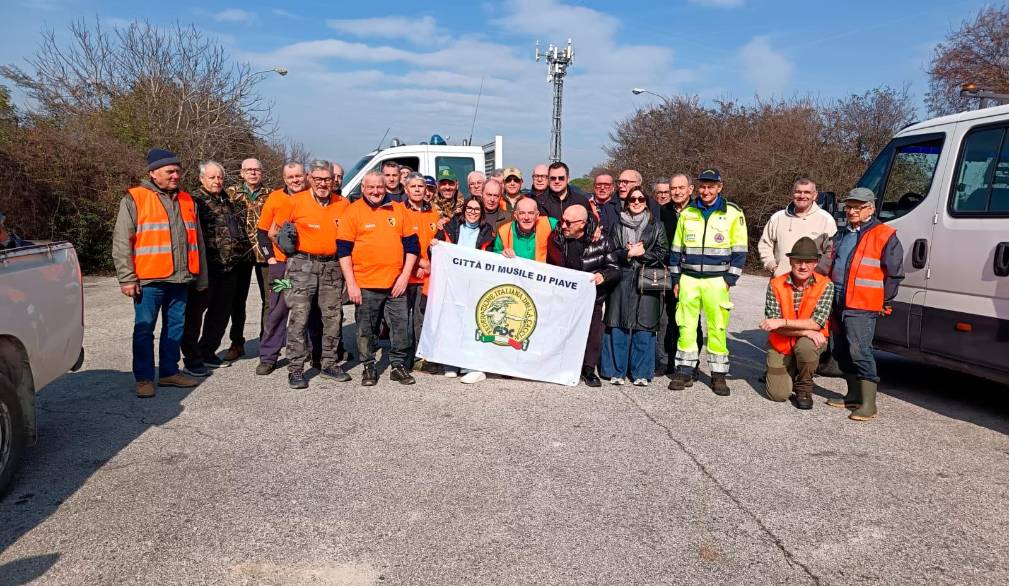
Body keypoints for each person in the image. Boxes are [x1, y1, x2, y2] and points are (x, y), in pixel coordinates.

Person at [112, 148, 208, 397]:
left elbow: (198, 241)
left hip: (181, 278)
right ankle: (144, 378)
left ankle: (168, 373)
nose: (176, 175)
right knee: (144, 329)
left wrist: (201, 277)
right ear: (153, 173)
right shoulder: (135, 198)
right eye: (170, 171)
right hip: (149, 280)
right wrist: (127, 278)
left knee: (175, 328)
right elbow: (122, 241)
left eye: (177, 171)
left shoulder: (188, 200)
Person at [824, 187, 904, 421]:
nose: (851, 211)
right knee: (841, 349)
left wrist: (886, 301)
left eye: (857, 207)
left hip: (863, 303)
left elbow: (894, 274)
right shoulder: (841, 234)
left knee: (860, 350)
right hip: (837, 298)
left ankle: (869, 404)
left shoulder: (884, 235)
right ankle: (852, 395)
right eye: (849, 206)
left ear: (871, 208)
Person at [667, 168, 748, 396]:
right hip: (689, 279)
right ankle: (684, 371)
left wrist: (729, 279)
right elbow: (676, 249)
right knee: (686, 326)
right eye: (702, 186)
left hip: (716, 281)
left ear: (719, 187)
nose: (706, 190)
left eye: (711, 186)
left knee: (717, 328)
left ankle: (718, 375)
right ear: (697, 188)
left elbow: (740, 250)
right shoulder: (688, 213)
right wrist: (676, 278)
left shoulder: (733, 213)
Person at [337, 171, 420, 387]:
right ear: (363, 188)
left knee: (400, 327)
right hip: (365, 284)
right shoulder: (352, 212)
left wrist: (404, 276)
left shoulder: (399, 210)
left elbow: (412, 246)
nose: (375, 191)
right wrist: (351, 284)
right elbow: (343, 251)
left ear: (386, 188)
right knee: (366, 329)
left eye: (380, 187)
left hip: (395, 283)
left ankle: (398, 365)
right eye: (371, 187)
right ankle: (369, 366)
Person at [276, 160, 352, 389]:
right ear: (310, 178)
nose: (322, 184)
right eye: (318, 179)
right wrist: (286, 248)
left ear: (333, 180)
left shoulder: (343, 203)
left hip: (332, 266)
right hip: (302, 265)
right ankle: (296, 369)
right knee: (299, 317)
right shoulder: (294, 202)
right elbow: (273, 232)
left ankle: (329, 362)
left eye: (327, 179)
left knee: (333, 317)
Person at [180, 161, 251, 377]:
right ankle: (192, 358)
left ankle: (208, 351)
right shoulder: (195, 201)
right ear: (202, 179)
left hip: (229, 268)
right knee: (195, 314)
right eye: (212, 177)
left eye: (219, 177)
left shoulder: (227, 201)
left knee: (221, 313)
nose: (217, 181)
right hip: (205, 268)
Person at [254, 162, 323, 375]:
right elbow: (263, 232)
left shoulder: (315, 198)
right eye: (291, 177)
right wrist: (272, 260)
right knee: (279, 309)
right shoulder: (275, 198)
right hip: (283, 266)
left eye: (299, 176)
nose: (295, 180)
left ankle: (314, 353)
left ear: (307, 177)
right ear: (284, 179)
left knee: (311, 309)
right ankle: (268, 356)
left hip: (308, 266)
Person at [600, 188, 669, 386]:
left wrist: (643, 254)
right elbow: (610, 250)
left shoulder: (657, 225)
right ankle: (615, 370)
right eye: (632, 199)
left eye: (640, 199)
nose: (636, 202)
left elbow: (663, 251)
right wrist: (627, 255)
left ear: (646, 202)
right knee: (617, 324)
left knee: (644, 327)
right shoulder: (617, 224)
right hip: (622, 277)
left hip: (647, 278)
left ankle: (641, 372)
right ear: (627, 201)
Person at [547, 203, 619, 387]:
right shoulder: (556, 238)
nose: (563, 225)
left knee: (593, 333)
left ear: (581, 223)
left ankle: (588, 370)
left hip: (591, 297)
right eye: (563, 220)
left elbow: (614, 268)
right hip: (564, 297)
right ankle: (560, 366)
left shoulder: (602, 241)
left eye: (568, 222)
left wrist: (603, 276)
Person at [759, 237, 834, 410]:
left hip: (809, 342)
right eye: (798, 261)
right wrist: (805, 331)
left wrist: (783, 322)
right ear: (791, 261)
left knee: (806, 347)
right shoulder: (776, 284)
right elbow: (773, 325)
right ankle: (789, 371)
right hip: (781, 343)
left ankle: (804, 386)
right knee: (778, 395)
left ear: (816, 263)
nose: (803, 266)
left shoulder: (826, 285)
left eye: (808, 262)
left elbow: (817, 324)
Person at [432, 197, 497, 383]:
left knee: (471, 323)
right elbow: (435, 252)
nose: (472, 212)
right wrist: (434, 246)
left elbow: (492, 257)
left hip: (475, 285)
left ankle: (473, 366)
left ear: (482, 213)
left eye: (477, 210)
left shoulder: (488, 233)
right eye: (469, 208)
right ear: (464, 209)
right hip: (452, 284)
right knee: (451, 322)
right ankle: (451, 363)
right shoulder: (450, 227)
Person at [656, 173, 701, 376]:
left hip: (692, 274)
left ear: (690, 190)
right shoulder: (661, 212)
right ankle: (667, 360)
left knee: (691, 320)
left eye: (681, 188)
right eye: (673, 188)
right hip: (667, 272)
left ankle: (692, 362)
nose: (676, 192)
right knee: (666, 318)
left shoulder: (700, 212)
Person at [226, 157, 271, 363]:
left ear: (262, 173)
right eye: (248, 170)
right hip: (240, 254)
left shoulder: (271, 195)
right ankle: (237, 342)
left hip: (265, 253)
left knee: (269, 300)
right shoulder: (230, 194)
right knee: (237, 300)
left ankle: (267, 341)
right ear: (242, 173)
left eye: (257, 170)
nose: (253, 173)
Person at [758, 178, 837, 277]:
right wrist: (772, 266)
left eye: (807, 192)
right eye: (798, 192)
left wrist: (818, 272)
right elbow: (765, 244)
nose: (802, 196)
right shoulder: (777, 218)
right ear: (792, 194)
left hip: (812, 284)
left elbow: (831, 251)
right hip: (781, 281)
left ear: (815, 195)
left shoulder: (826, 220)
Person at [402, 172, 440, 371]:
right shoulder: (398, 211)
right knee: (400, 320)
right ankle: (399, 358)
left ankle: (420, 358)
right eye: (413, 186)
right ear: (406, 189)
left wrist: (428, 265)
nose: (417, 190)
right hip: (405, 275)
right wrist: (417, 265)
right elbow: (396, 244)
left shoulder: (434, 214)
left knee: (421, 319)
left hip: (426, 277)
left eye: (421, 187)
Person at [493, 197, 557, 261]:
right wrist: (502, 253)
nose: (526, 217)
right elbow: (495, 254)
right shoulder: (504, 231)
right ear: (516, 215)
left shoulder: (547, 223)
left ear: (537, 215)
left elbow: (564, 224)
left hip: (540, 270)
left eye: (531, 213)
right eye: (522, 213)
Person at [588, 171, 620, 237]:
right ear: (594, 187)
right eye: (599, 185)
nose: (602, 188)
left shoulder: (619, 207)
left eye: (607, 185)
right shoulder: (584, 204)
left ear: (613, 188)